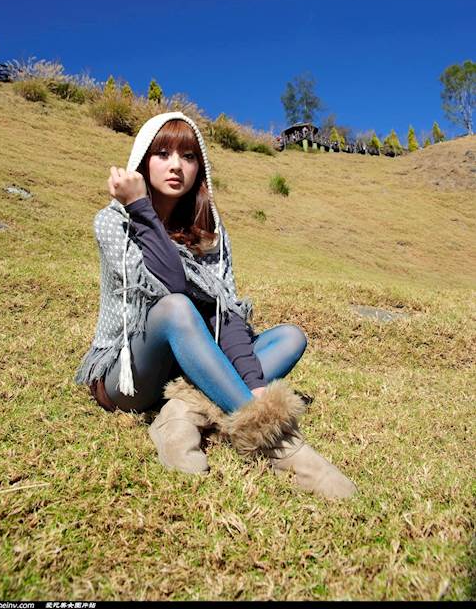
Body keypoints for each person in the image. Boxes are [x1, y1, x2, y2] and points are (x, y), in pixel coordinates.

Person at [75, 111, 356, 498]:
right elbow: (170, 286)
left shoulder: (209, 231)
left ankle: (180, 413)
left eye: (188, 156)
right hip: (129, 376)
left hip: (188, 368)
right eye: (163, 154)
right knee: (177, 308)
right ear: (142, 161)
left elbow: (226, 314)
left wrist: (255, 385)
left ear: (200, 166)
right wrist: (139, 206)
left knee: (290, 338)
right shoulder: (113, 222)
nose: (176, 165)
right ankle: (281, 447)